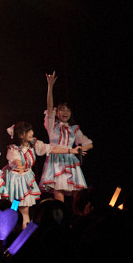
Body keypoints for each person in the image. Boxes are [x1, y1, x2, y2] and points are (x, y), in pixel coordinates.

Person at [2, 121, 79, 227]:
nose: (31, 133)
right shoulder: (13, 149)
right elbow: (17, 160)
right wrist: (20, 166)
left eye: (31, 130)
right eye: (28, 131)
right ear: (20, 135)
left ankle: (21, 230)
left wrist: (70, 150)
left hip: (25, 179)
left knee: (24, 209)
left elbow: (52, 148)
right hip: (16, 181)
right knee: (16, 207)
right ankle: (13, 227)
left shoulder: (34, 144)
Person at [40, 71, 93, 202]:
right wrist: (50, 86)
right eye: (62, 109)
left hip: (70, 161)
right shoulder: (52, 125)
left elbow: (88, 143)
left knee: (78, 195)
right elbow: (49, 106)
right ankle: (60, 214)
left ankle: (78, 213)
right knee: (58, 193)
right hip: (56, 161)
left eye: (68, 110)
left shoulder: (73, 129)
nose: (65, 112)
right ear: (56, 112)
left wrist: (80, 149)